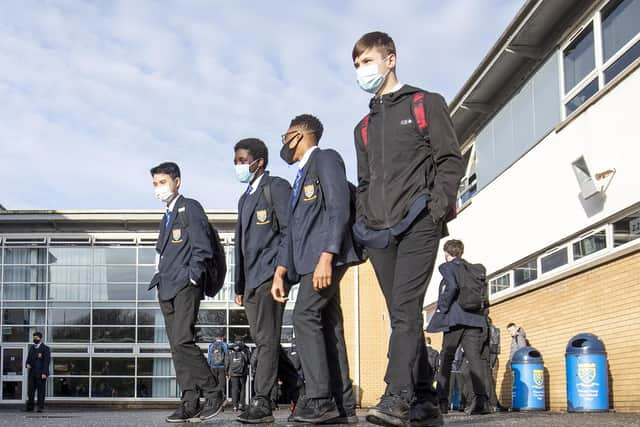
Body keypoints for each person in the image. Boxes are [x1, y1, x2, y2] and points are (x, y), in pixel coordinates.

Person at [351, 31, 464, 427]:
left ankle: (396, 396)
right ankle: (425, 399)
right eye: (357, 65)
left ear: (390, 59)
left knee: (403, 310)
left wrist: (436, 209)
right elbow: (364, 182)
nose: (362, 70)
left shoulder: (424, 103)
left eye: (367, 61)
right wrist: (364, 220)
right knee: (403, 313)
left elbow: (450, 158)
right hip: (379, 231)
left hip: (418, 220)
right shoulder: (362, 128)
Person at [272, 114, 360, 424]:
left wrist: (327, 254)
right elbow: (294, 230)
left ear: (298, 135)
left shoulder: (325, 158)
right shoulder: (300, 177)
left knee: (304, 315)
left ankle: (320, 399)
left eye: (285, 135)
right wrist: (282, 271)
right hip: (309, 261)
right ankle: (342, 402)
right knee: (329, 325)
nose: (283, 143)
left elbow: (338, 207)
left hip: (325, 258)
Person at [148, 162, 223, 423]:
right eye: (155, 183)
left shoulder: (189, 207)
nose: (159, 188)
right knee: (176, 347)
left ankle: (213, 392)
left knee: (182, 339)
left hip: (184, 285)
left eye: (163, 182)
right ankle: (189, 400)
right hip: (166, 287)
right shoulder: (166, 216)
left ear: (177, 182)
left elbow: (203, 247)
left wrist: (193, 276)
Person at [232, 137, 295, 423]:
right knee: (263, 340)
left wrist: (281, 271)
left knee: (267, 341)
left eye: (242, 161)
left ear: (259, 161)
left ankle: (263, 401)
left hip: (272, 275)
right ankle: (299, 387)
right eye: (235, 161)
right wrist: (239, 286)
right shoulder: (245, 198)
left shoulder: (276, 187)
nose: (238, 166)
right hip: (251, 282)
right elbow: (241, 247)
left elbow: (288, 233)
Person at [426, 239, 491, 416]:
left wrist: (442, 308)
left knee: (446, 358)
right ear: (461, 252)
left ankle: (442, 402)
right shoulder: (475, 269)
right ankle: (481, 401)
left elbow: (452, 287)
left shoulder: (448, 267)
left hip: (455, 318)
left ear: (447, 253)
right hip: (474, 319)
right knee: (474, 359)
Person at [483, 317, 507, 412]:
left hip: (490, 358)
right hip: (492, 357)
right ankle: (494, 403)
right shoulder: (495, 330)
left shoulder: (490, 330)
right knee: (491, 381)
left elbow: (493, 346)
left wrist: (490, 361)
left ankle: (493, 404)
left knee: (490, 381)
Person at [24, 332, 49, 412]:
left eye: (36, 337)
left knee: (40, 392)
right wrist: (27, 364)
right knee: (30, 391)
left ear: (40, 338)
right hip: (32, 374)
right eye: (34, 337)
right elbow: (28, 358)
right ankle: (30, 407)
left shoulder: (45, 348)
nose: (35, 339)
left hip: (41, 374)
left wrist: (44, 373)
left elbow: (46, 361)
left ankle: (40, 407)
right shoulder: (32, 348)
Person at [226, 338, 250, 412]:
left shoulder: (230, 349)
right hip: (243, 372)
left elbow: (226, 361)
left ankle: (234, 406)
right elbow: (249, 360)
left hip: (233, 373)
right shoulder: (245, 349)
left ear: (234, 341)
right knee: (243, 388)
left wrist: (226, 371)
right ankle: (242, 405)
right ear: (242, 341)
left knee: (234, 389)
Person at [208, 335, 228, 400]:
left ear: (215, 338)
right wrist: (227, 368)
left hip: (213, 367)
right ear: (222, 338)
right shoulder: (224, 345)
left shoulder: (211, 345)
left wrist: (209, 366)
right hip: (222, 367)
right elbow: (227, 357)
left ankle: (214, 400)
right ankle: (221, 399)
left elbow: (209, 357)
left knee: (214, 384)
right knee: (221, 384)